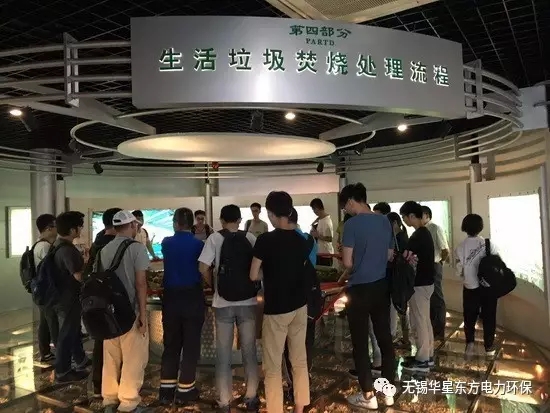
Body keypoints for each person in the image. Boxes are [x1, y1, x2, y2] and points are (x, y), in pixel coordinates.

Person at [250, 191, 310, 413]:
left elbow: (253, 274)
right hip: (299, 306)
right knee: (299, 360)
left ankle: (275, 409)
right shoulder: (302, 240)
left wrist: (269, 272)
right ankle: (299, 407)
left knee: (273, 366)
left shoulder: (265, 240)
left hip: (276, 309)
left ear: (271, 214)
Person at [338, 183, 395, 410]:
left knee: (360, 344)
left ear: (351, 201)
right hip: (381, 287)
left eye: (345, 206)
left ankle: (368, 396)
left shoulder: (351, 225)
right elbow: (389, 255)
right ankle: (388, 393)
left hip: (359, 290)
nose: (346, 210)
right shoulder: (384, 221)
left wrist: (356, 265)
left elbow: (347, 262)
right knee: (385, 340)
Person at [199, 204, 260, 412]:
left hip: (222, 303)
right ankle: (251, 397)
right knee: (249, 351)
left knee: (223, 354)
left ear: (222, 220)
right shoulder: (250, 238)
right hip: (248, 302)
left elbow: (203, 267)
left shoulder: (214, 238)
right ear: (240, 220)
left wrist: (214, 285)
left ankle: (224, 401)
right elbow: (258, 268)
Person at [100, 210, 150, 413]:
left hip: (108, 312)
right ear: (131, 226)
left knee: (111, 358)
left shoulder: (104, 249)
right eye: (135, 225)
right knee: (133, 358)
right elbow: (141, 283)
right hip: (130, 312)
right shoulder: (137, 248)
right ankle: (128, 403)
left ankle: (109, 399)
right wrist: (143, 315)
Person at [158, 208, 206, 406]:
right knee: (191, 344)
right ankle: (185, 389)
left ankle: (166, 391)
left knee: (171, 344)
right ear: (191, 224)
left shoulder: (166, 243)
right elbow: (203, 269)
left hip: (171, 298)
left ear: (175, 223)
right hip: (192, 296)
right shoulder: (198, 244)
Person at [83, 207, 122, 398]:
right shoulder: (114, 245)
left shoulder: (97, 242)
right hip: (112, 300)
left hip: (96, 299)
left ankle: (99, 385)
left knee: (100, 342)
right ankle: (114, 387)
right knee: (116, 344)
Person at [51, 211, 91, 382]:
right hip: (68, 298)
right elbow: (78, 276)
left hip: (61, 297)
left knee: (72, 331)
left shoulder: (57, 245)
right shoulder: (67, 249)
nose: (81, 229)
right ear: (73, 229)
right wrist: (87, 263)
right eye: (80, 226)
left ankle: (80, 360)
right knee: (67, 333)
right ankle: (63, 371)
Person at [282, 208, 317, 400]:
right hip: (309, 298)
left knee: (289, 343)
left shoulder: (281, 241)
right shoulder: (310, 240)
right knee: (307, 340)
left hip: (288, 299)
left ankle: (292, 385)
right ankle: (305, 379)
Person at [455, 214, 498, 358]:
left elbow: (459, 271)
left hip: (470, 287)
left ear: (464, 227)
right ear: (481, 227)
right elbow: (498, 263)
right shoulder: (488, 244)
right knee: (489, 316)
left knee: (469, 316)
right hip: (488, 287)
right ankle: (489, 346)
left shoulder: (460, 247)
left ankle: (470, 343)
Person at [399, 201, 435, 372]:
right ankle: (428, 356)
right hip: (426, 283)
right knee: (424, 320)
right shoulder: (424, 233)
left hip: (420, 284)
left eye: (404, 217)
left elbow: (405, 256)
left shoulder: (418, 235)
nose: (404, 221)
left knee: (419, 321)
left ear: (412, 216)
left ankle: (422, 360)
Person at [421, 205, 449, 341]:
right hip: (425, 266)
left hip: (434, 265)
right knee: (430, 297)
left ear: (427, 215)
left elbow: (445, 250)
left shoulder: (435, 228)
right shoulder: (422, 230)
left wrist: (440, 262)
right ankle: (432, 327)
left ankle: (439, 330)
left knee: (437, 297)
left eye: (420, 215)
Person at [34, 214, 59, 363]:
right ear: (49, 228)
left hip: (41, 290)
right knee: (53, 322)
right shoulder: (45, 247)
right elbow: (52, 269)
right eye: (56, 226)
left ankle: (45, 353)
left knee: (44, 322)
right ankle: (61, 356)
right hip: (48, 291)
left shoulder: (38, 244)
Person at [387, 212, 411, 348]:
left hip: (399, 276)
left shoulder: (400, 238)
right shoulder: (400, 236)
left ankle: (405, 339)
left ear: (395, 223)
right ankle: (404, 338)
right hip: (399, 275)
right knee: (400, 306)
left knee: (401, 307)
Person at [309, 198, 334, 267]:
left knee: (325, 272)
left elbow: (330, 239)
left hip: (326, 254)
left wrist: (317, 235)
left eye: (313, 209)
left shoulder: (327, 221)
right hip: (319, 253)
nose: (314, 211)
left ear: (317, 208)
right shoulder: (319, 219)